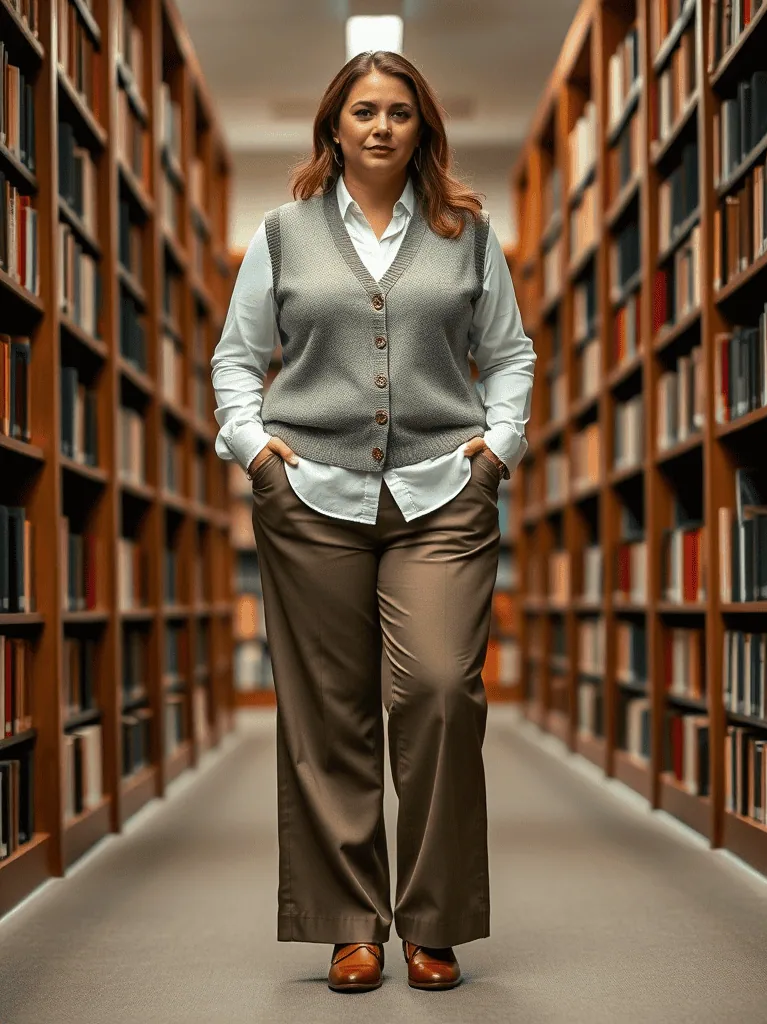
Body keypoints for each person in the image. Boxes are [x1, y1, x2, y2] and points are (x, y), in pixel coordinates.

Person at [211, 49, 535, 994]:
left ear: (423, 127)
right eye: (364, 110)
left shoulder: (467, 234)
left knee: (439, 690)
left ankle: (434, 922)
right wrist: (255, 450)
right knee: (328, 714)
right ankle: (351, 924)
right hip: (308, 496)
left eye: (399, 111)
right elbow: (239, 359)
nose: (382, 126)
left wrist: (497, 449)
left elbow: (508, 354)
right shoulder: (283, 231)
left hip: (444, 493)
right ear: (335, 127)